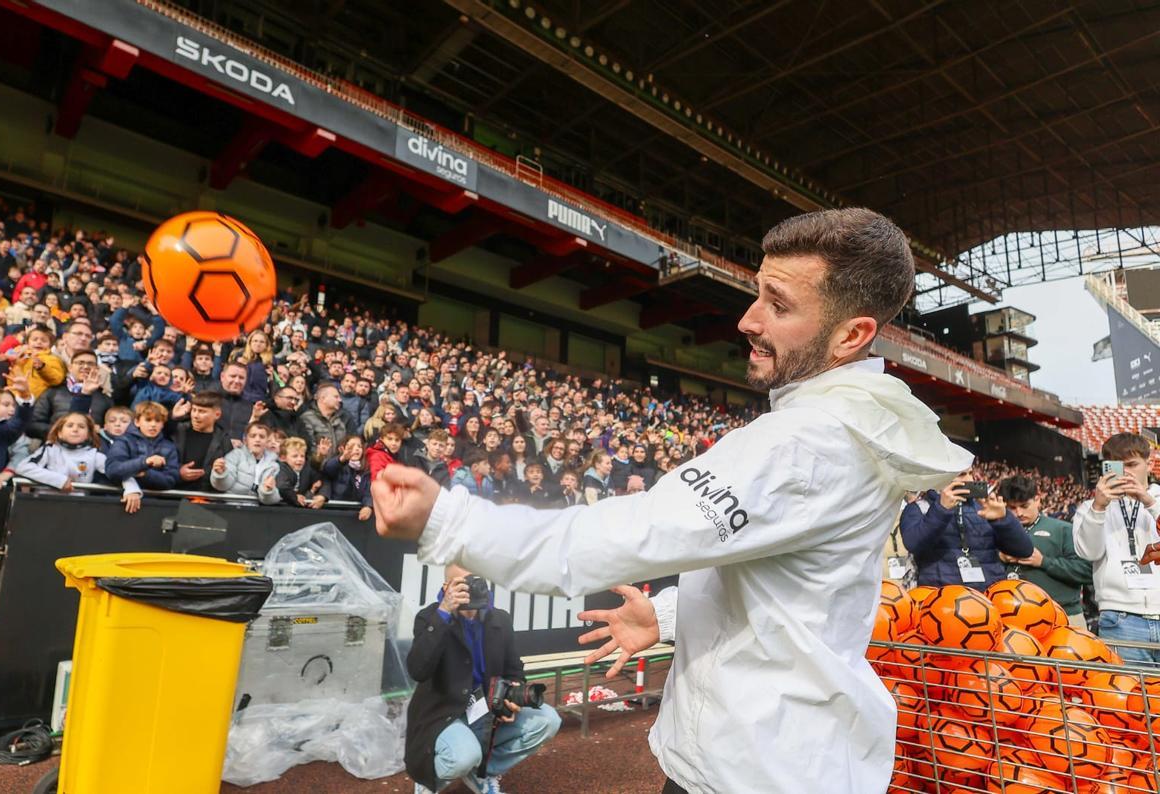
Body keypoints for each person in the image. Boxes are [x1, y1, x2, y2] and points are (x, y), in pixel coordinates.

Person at [371, 208, 972, 793]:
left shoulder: (805, 443)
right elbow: (782, 589)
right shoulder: (840, 430)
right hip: (772, 756)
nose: (748, 319)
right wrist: (666, 615)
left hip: (753, 767)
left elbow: (622, 535)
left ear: (852, 334)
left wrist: (449, 520)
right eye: (758, 293)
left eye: (779, 304)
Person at [405, 564, 562, 794]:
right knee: (463, 756)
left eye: (475, 580)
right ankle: (430, 779)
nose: (470, 587)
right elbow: (418, 670)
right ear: (446, 587)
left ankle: (481, 773)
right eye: (462, 583)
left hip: (487, 709)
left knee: (548, 720)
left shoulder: (500, 619)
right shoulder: (430, 617)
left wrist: (514, 692)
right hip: (443, 714)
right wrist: (444, 611)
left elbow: (514, 668)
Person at [1076, 433, 1160, 665]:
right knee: (1128, 696)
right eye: (1116, 466)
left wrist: (1149, 502)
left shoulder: (1157, 500)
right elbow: (1088, 552)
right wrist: (1099, 507)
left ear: (1149, 463)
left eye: (1132, 464)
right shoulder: (1089, 508)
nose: (1126, 473)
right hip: (1120, 617)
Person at [899, 469, 1033, 587]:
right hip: (942, 600)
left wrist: (1003, 520)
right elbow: (913, 543)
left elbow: (1024, 550)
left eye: (970, 473)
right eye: (962, 475)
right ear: (941, 478)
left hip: (988, 597)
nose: (969, 479)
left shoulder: (984, 508)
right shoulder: (919, 508)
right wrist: (941, 510)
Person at [998, 475, 1093, 629]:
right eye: (1012, 508)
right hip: (1010, 617)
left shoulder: (1063, 529)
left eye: (1024, 505)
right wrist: (999, 557)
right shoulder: (997, 530)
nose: (1019, 513)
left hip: (1062, 615)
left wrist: (1043, 561)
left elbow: (1086, 572)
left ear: (1037, 499)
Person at [104, 400, 180, 514]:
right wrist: (145, 463)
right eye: (148, 420)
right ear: (137, 422)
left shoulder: (169, 447)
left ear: (163, 424)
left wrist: (145, 474)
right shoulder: (123, 441)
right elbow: (112, 470)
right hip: (120, 501)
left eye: (158, 421)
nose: (153, 424)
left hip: (154, 505)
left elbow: (171, 480)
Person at [171, 392, 234, 492]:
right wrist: (178, 472)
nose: (195, 415)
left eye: (202, 411)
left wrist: (217, 472)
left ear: (217, 414)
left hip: (207, 497)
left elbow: (230, 473)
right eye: (194, 410)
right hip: (175, 494)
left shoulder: (224, 440)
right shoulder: (178, 431)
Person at [210, 422, 281, 505]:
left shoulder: (274, 465)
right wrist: (220, 474)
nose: (257, 439)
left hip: (257, 511)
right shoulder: (235, 455)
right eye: (253, 436)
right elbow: (222, 486)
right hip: (231, 506)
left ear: (267, 441)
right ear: (245, 440)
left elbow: (273, 499)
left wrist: (268, 491)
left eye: (262, 437)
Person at [275, 436, 326, 509]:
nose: (300, 459)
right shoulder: (281, 468)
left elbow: (321, 480)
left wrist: (319, 494)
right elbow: (282, 486)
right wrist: (295, 497)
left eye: (302, 456)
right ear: (283, 458)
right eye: (295, 456)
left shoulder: (307, 468)